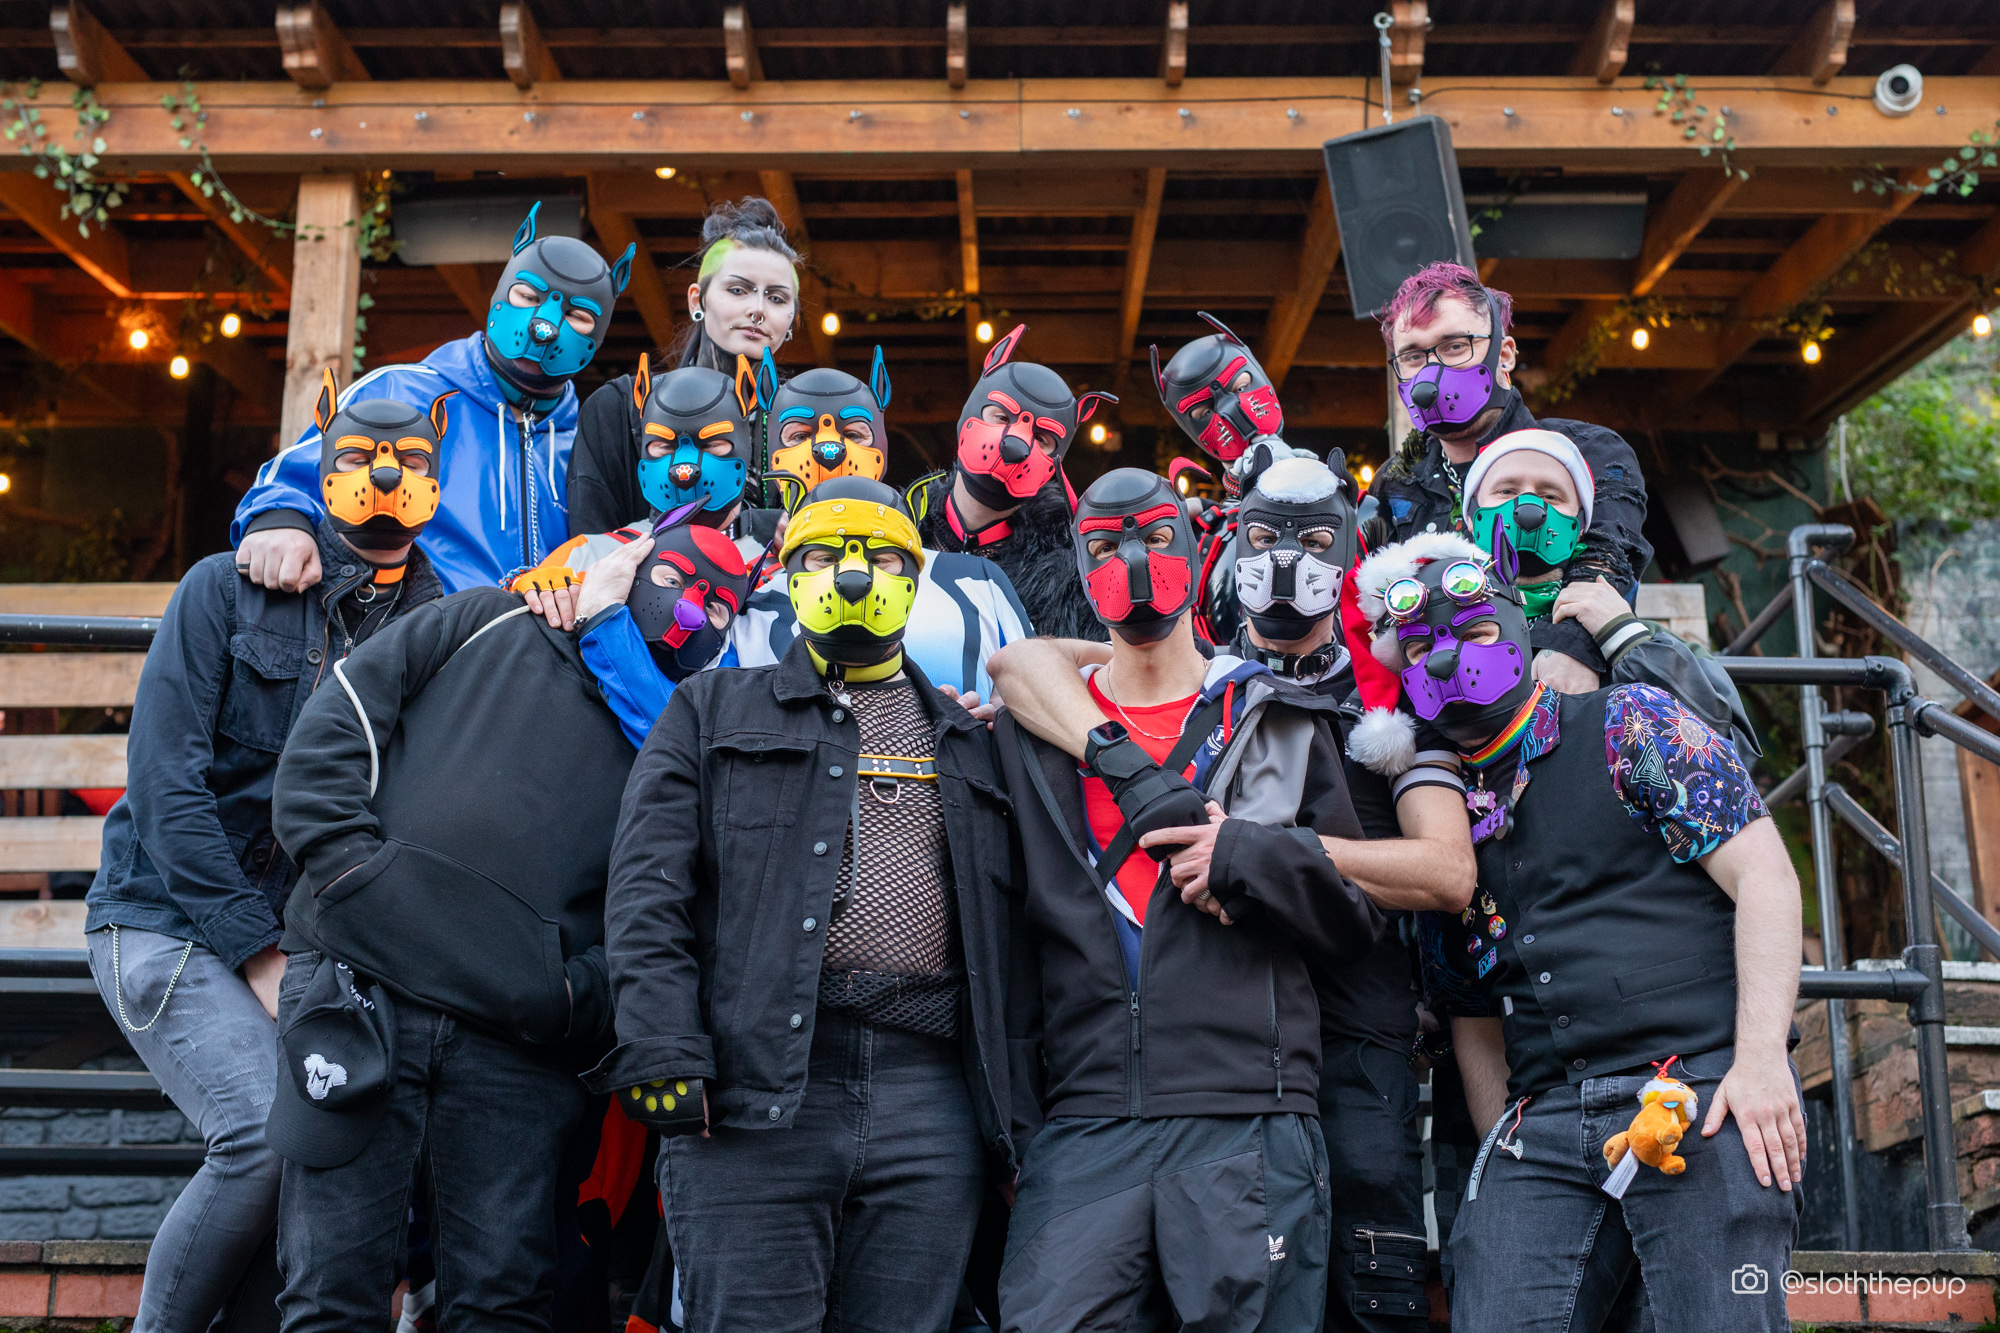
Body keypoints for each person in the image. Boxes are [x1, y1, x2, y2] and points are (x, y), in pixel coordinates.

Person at [988, 456, 1478, 1331]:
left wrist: (1252, 855)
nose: (1133, 562)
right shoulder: (1040, 726)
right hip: (1088, 1108)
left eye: (1155, 537)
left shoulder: (1300, 711)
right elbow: (1018, 662)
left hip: (1261, 1100)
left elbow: (1398, 895)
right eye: (1103, 544)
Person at [264, 511, 744, 1333]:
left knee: (503, 1301)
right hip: (358, 989)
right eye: (673, 579)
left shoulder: (686, 742)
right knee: (329, 1289)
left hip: (517, 1042)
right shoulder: (483, 617)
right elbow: (332, 735)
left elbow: (674, 911)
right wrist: (350, 873)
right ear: (628, 567)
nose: (695, 608)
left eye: (722, 605)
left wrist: (569, 995)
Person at [588, 477, 1020, 1332]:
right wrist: (663, 1044)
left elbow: (1016, 928)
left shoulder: (970, 740)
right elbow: (646, 891)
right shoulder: (709, 708)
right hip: (752, 1091)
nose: (852, 577)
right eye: (823, 556)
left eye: (881, 558)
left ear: (916, 579)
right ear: (787, 576)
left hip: (931, 1097)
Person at [1354, 533, 1804, 1332]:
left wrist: (1762, 1062)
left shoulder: (1630, 721)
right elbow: (1470, 1010)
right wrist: (1501, 1145)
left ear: (1516, 628)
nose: (1448, 656)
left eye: (1475, 630)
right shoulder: (1436, 823)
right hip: (1545, 1120)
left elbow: (1764, 875)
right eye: (1420, 647)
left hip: (1698, 1089)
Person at [81, 373, 450, 1333]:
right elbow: (163, 787)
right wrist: (259, 952)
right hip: (164, 918)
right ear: (320, 461)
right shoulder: (223, 587)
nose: (383, 476)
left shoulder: (438, 626)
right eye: (358, 456)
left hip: (313, 945)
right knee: (260, 1134)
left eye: (409, 457)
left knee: (315, 1154)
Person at [232, 203, 634, 595]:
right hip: (412, 629)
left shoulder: (594, 442)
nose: (544, 327)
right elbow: (294, 478)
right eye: (527, 296)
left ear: (598, 336)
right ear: (501, 293)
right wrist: (279, 520)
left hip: (542, 637)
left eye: (579, 316)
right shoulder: (399, 392)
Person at [1366, 261, 1653, 694]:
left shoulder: (1589, 453)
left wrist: (1569, 647)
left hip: (1565, 702)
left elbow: (1606, 562)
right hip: (1438, 711)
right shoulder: (1396, 482)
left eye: (1455, 346)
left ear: (1504, 355)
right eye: (1412, 356)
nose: (1429, 373)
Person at [732, 352, 1033, 701]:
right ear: (771, 453)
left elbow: (1038, 689)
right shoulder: (746, 601)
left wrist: (1005, 716)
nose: (827, 451)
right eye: (799, 435)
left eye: (853, 433)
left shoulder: (976, 580)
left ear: (880, 446)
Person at [1462, 427, 1760, 757]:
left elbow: (1731, 749)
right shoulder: (1432, 629)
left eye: (1551, 496)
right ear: (1472, 517)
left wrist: (1623, 638)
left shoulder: (1640, 639)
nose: (1528, 509)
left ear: (1580, 526)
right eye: (1506, 491)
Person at [567, 196, 802, 539]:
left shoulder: (802, 419)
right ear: (697, 300)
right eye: (738, 290)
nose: (758, 309)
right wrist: (749, 526)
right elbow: (590, 545)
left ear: (792, 318)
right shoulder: (620, 408)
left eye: (777, 298)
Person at [905, 324, 1114, 641]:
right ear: (970, 413)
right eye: (1002, 417)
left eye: (1041, 438)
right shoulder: (891, 531)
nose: (1015, 443)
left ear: (1056, 461)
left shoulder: (1074, 577)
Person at [1151, 313, 1305, 645]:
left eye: (1242, 387)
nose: (1232, 411)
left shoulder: (1350, 503)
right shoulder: (1206, 532)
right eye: (1204, 412)